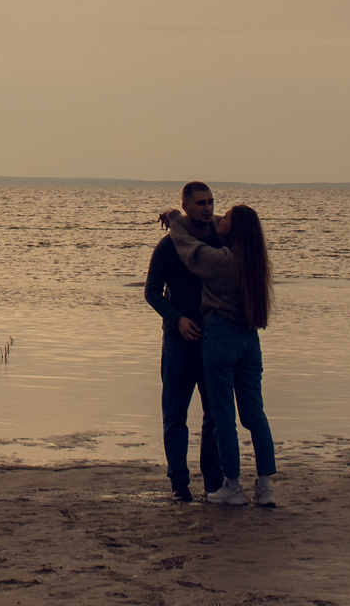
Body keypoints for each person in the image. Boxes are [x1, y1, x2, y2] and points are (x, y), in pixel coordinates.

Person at [157, 200, 278, 507]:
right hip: (250, 340)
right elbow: (232, 224)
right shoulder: (254, 259)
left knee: (223, 415)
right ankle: (265, 488)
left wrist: (175, 217)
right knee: (255, 416)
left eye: (225, 219)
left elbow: (186, 245)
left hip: (221, 337)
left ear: (233, 231)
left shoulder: (220, 260)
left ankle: (233, 487)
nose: (216, 217)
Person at [142, 181, 224, 502]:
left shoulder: (220, 241)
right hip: (178, 343)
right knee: (175, 415)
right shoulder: (168, 247)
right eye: (201, 203)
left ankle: (214, 481)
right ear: (185, 208)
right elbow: (151, 292)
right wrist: (178, 319)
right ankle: (179, 483)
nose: (207, 207)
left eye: (211, 201)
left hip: (213, 342)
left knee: (215, 415)